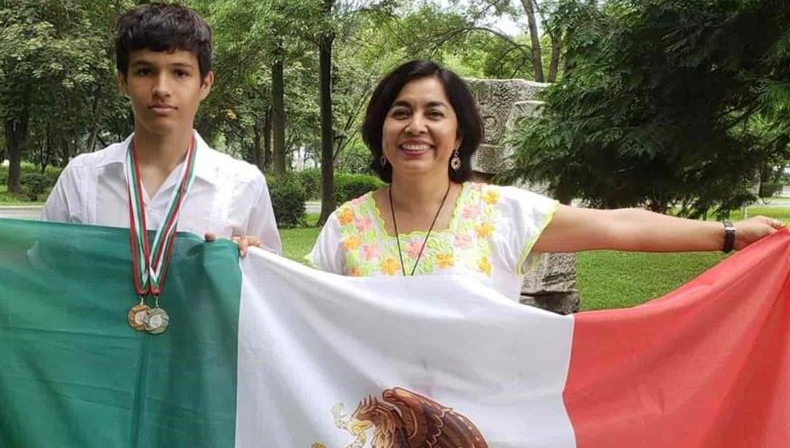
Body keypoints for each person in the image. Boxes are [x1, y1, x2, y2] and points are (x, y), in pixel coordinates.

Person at [308, 60, 784, 301]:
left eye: (434, 113)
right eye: (400, 112)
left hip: (485, 427)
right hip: (372, 427)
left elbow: (621, 225)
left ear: (459, 135)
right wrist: (243, 259)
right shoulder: (345, 226)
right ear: (381, 130)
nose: (416, 127)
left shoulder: (500, 213)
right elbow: (296, 315)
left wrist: (728, 234)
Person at [0, 2, 281, 257]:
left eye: (180, 72)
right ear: (122, 82)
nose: (161, 88)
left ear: (205, 84)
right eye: (145, 71)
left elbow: (272, 305)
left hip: (198, 375)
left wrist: (253, 262)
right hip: (98, 373)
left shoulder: (242, 184)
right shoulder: (83, 177)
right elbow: (37, 271)